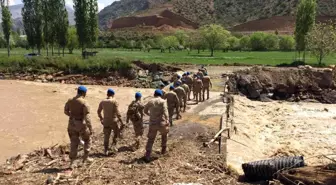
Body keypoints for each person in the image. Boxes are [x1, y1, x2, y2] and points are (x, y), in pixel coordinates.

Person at [64, 85, 93, 169]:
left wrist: (72, 116)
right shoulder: (84, 102)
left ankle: (72, 162)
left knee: (74, 142)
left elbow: (65, 111)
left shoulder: (70, 100)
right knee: (88, 139)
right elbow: (87, 117)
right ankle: (86, 158)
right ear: (84, 93)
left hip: (71, 124)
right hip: (80, 124)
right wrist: (90, 128)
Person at [144, 89, 169, 162]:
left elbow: (145, 111)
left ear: (154, 94)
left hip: (153, 123)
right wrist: (167, 119)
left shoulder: (150, 101)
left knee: (151, 139)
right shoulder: (163, 101)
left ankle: (148, 155)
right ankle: (163, 150)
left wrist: (150, 115)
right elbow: (165, 111)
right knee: (164, 135)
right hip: (161, 122)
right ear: (160, 95)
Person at [97, 88, 124, 155]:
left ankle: (106, 150)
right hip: (113, 121)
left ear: (107, 94)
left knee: (106, 136)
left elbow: (98, 111)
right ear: (113, 94)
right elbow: (118, 113)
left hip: (106, 121)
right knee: (116, 133)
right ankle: (114, 146)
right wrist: (121, 122)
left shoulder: (102, 101)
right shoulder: (114, 101)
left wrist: (101, 119)